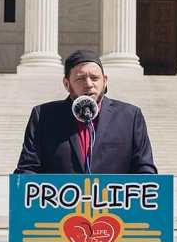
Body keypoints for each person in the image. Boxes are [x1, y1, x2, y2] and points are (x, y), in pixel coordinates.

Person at [14, 49, 157, 175]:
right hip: (60, 204)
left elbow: (145, 170)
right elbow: (27, 169)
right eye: (80, 78)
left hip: (112, 205)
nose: (89, 84)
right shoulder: (43, 116)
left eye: (95, 78)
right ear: (66, 84)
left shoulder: (130, 117)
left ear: (105, 81)